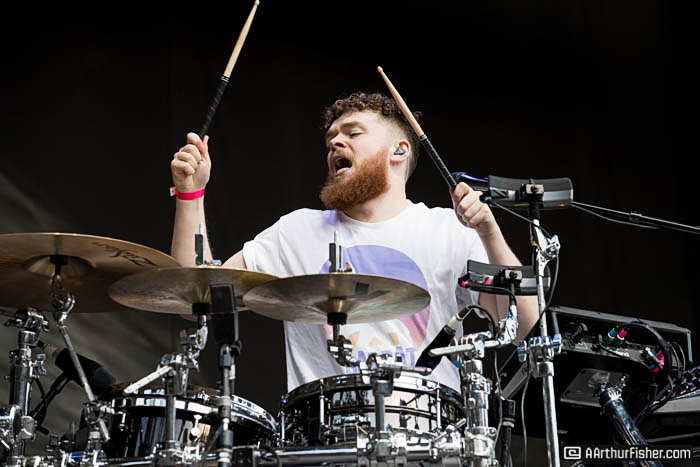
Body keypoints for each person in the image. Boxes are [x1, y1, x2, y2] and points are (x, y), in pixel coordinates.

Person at [170, 92, 538, 392]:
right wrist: (191, 194)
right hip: (325, 437)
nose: (335, 142)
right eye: (331, 138)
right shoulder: (297, 232)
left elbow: (525, 328)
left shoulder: (448, 230)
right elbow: (196, 302)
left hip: (431, 438)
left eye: (353, 133)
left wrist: (489, 232)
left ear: (399, 150)